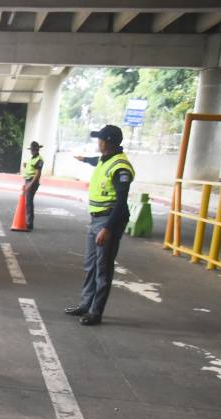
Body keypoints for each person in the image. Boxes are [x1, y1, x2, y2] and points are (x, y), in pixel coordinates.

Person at [65, 125, 134, 326]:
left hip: (108, 220)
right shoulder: (106, 160)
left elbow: (121, 203)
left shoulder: (121, 168)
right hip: (96, 218)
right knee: (91, 265)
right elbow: (97, 161)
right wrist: (84, 159)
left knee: (103, 268)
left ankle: (96, 312)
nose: (98, 142)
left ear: (109, 142)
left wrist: (108, 229)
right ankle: (86, 304)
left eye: (100, 139)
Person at [22, 141, 44, 230]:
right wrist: (25, 166)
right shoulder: (32, 158)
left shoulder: (39, 159)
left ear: (36, 150)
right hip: (28, 180)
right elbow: (31, 167)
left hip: (32, 182)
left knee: (29, 202)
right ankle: (27, 221)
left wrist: (30, 185)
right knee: (27, 202)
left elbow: (37, 174)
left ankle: (29, 223)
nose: (31, 151)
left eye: (32, 149)